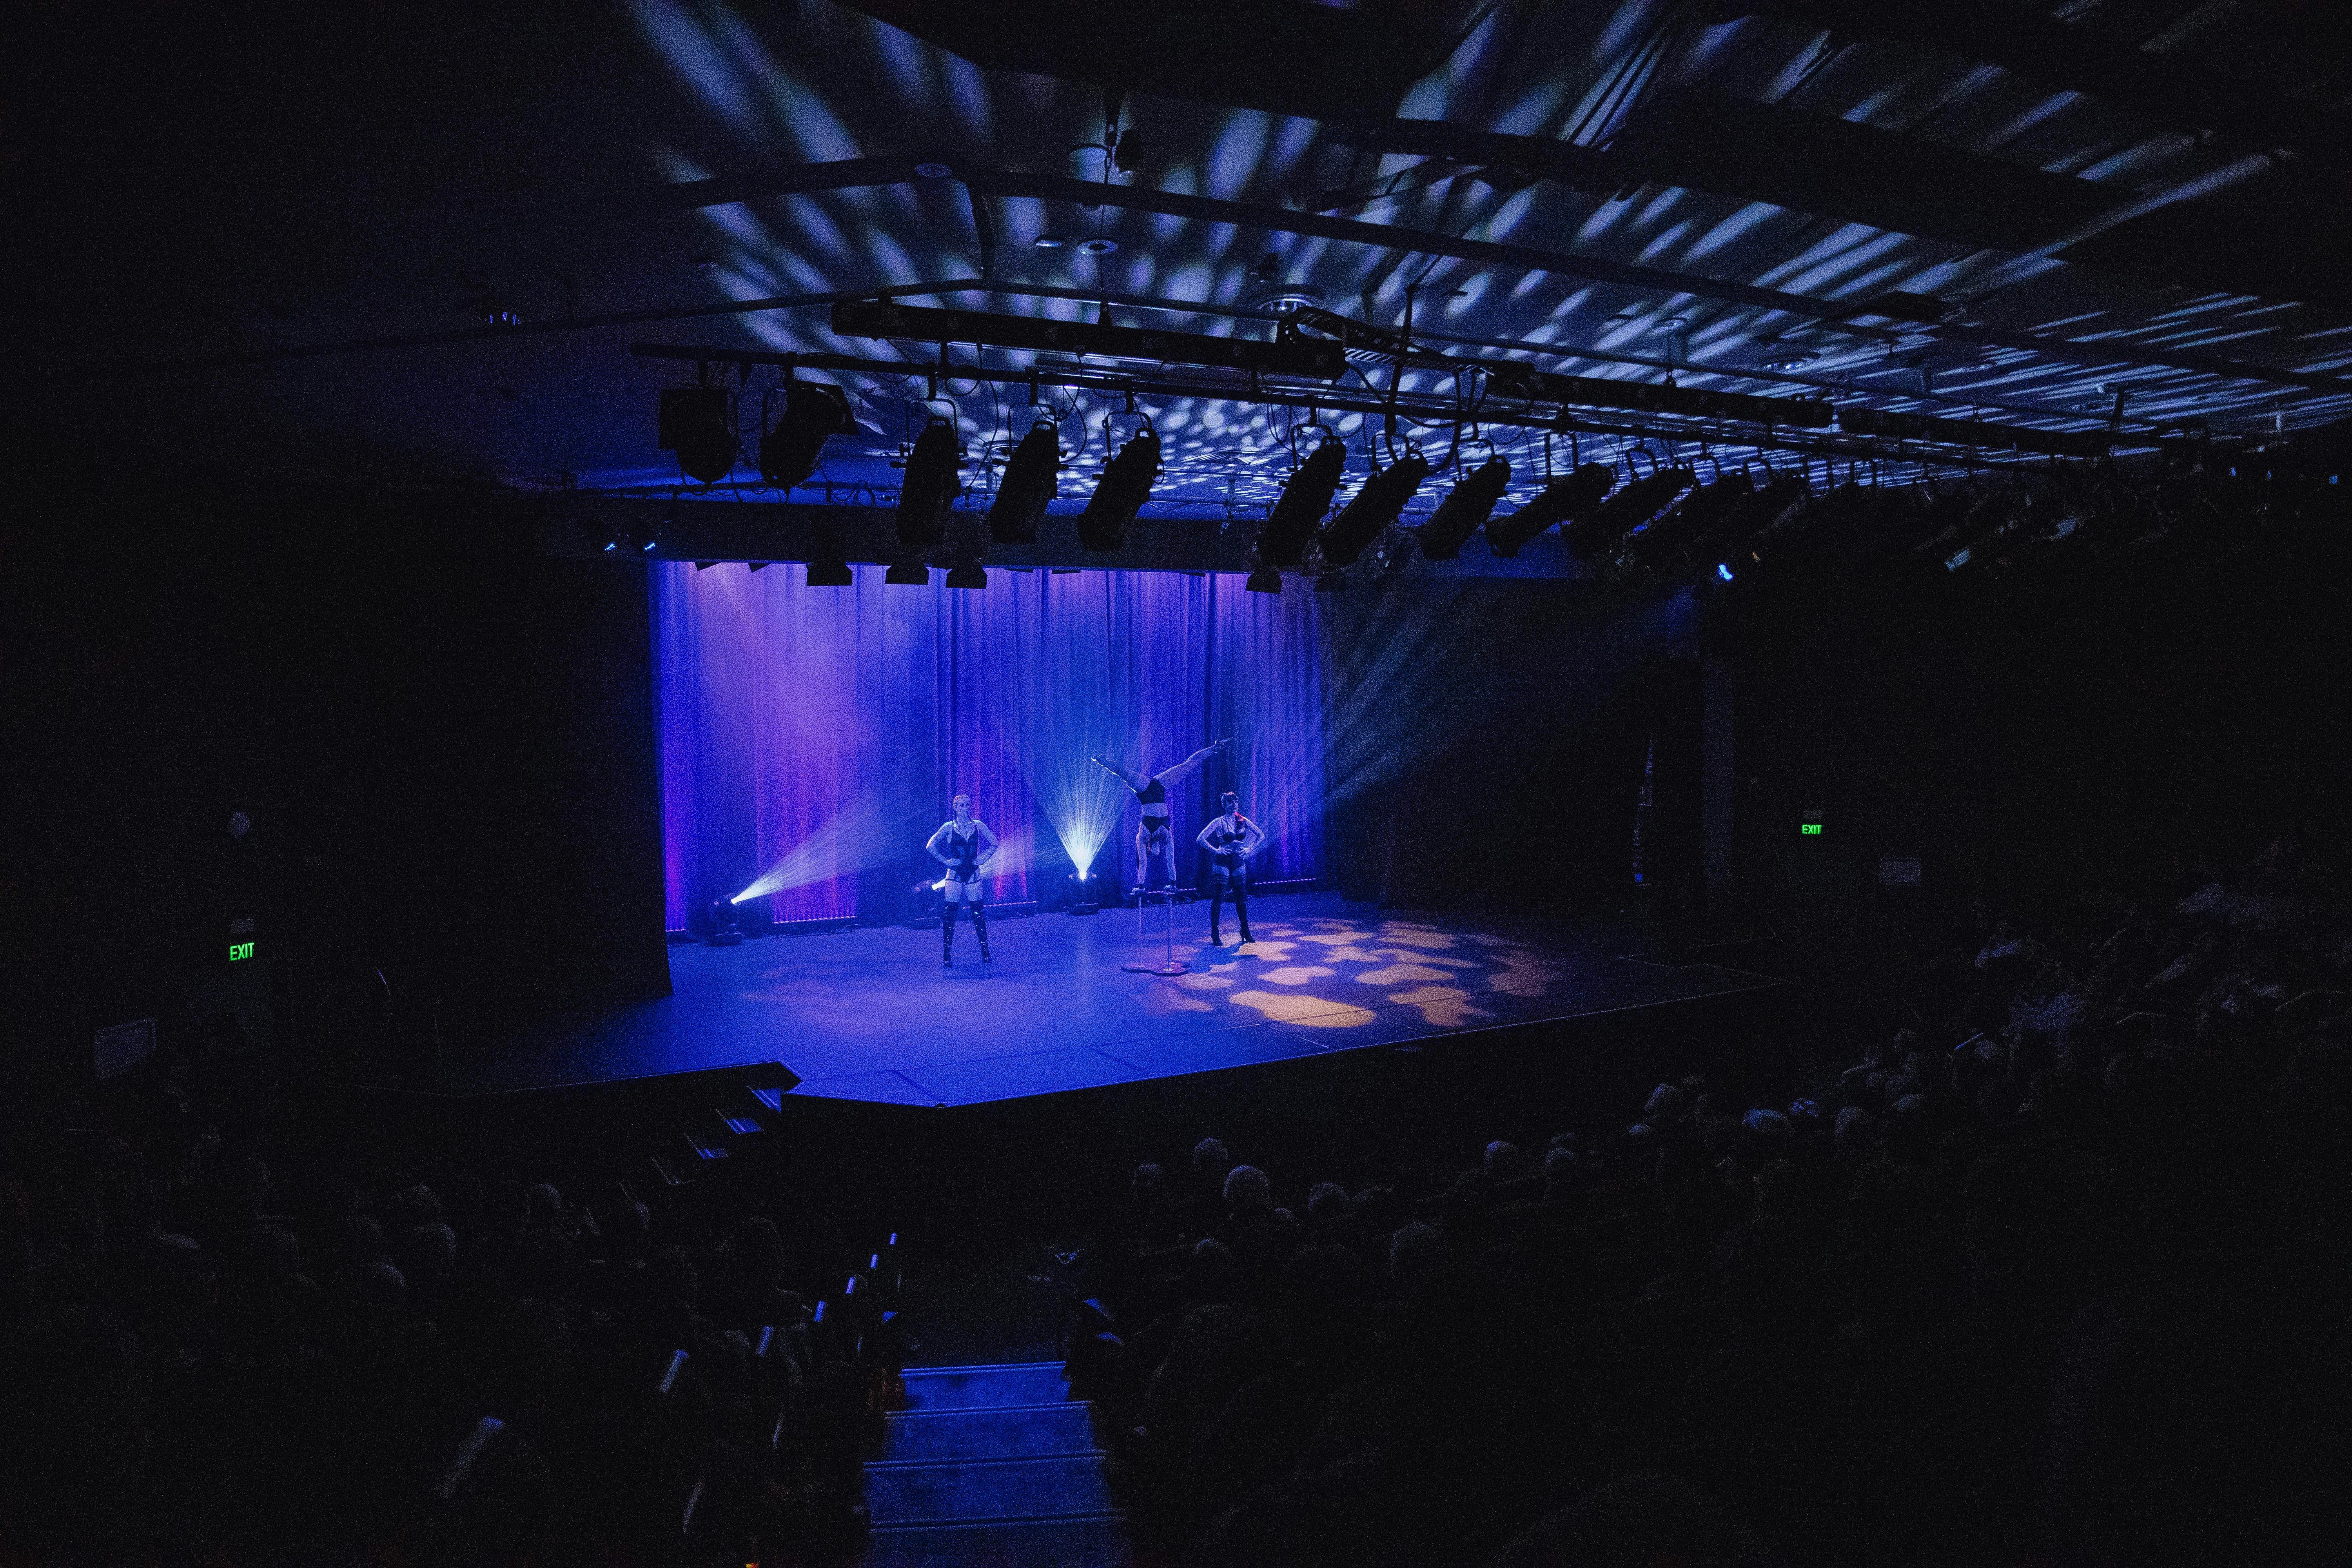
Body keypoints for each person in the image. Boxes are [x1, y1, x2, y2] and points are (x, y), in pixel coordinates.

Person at [1091, 740, 1229, 891]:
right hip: (1160, 787)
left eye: (1153, 851)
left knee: (1125, 775)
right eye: (1159, 851)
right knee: (1187, 766)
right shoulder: (1166, 837)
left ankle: (1103, 762)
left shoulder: (1142, 837)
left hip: (1144, 791)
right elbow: (1171, 860)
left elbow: (1143, 862)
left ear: (1149, 848)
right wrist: (1173, 884)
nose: (1157, 850)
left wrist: (1141, 886)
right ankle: (1215, 748)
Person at [926, 794, 998, 966]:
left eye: (968, 805)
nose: (966, 808)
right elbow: (930, 845)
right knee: (950, 913)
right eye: (962, 805)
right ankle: (947, 953)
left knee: (978, 913)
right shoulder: (948, 827)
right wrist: (946, 861)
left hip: (974, 872)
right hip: (955, 873)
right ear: (956, 808)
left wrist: (984, 858)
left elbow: (995, 843)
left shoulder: (978, 825)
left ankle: (985, 951)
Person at [1197, 792, 1265, 946]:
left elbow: (1261, 835)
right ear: (1224, 805)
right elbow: (1200, 838)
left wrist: (1249, 849)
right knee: (1219, 898)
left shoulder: (1242, 821)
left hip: (1238, 861)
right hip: (1222, 862)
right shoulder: (1219, 822)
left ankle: (1245, 930)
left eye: (1236, 803)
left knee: (1241, 898)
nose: (1234, 805)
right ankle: (1215, 933)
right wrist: (1217, 850)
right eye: (1230, 803)